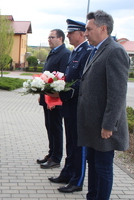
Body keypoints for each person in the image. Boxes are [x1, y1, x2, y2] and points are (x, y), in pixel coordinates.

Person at [77, 10, 130, 200]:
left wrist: (108, 125)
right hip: (92, 124)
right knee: (93, 164)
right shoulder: (97, 50)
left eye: (89, 29)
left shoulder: (115, 51)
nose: (85, 33)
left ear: (103, 28)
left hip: (103, 126)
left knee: (103, 167)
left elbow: (117, 94)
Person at [47, 19, 91, 193]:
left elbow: (82, 80)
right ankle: (68, 172)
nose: (69, 36)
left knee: (78, 144)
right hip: (69, 105)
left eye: (71, 33)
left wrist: (63, 92)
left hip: (77, 105)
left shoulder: (87, 52)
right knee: (70, 142)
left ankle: (77, 180)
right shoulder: (75, 52)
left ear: (81, 34)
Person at [37, 29, 70, 169]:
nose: (49, 39)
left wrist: (53, 98)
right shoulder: (53, 52)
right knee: (49, 126)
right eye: (48, 37)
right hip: (47, 98)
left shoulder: (65, 54)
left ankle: (56, 158)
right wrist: (42, 95)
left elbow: (62, 79)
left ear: (60, 39)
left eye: (52, 37)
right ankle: (51, 154)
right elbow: (46, 76)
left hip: (56, 100)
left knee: (56, 128)